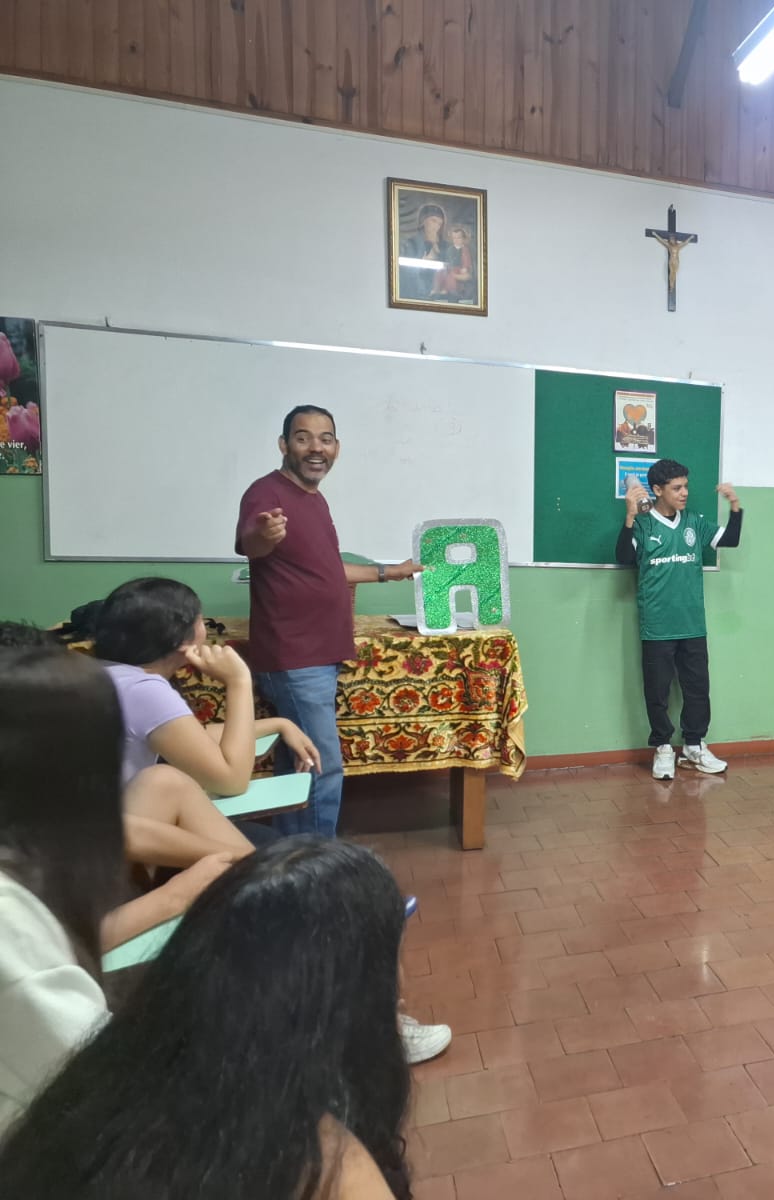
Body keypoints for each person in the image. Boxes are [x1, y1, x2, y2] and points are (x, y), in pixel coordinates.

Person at [0, 838, 414, 1198]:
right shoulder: (325, 1166)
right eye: (390, 957)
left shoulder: (115, 1081)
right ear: (345, 1002)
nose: (401, 981)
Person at [0, 626, 235, 1132]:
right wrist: (177, 894)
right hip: (62, 1133)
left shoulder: (42, 831)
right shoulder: (11, 916)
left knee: (166, 785)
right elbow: (101, 1084)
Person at [235, 405, 422, 837]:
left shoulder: (314, 500)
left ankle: (291, 856)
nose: (315, 448)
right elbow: (252, 543)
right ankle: (318, 864)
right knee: (323, 765)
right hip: (296, 656)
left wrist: (390, 572)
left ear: (336, 447)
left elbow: (326, 568)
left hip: (318, 653)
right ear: (284, 445)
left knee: (298, 762)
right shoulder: (267, 493)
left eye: (326, 439)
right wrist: (264, 535)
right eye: (303, 438)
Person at [93, 576, 321, 866]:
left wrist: (280, 724)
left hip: (108, 828)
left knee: (266, 841)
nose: (206, 628)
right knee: (275, 851)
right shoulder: (145, 690)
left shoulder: (109, 674)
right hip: (117, 848)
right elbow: (231, 781)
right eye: (202, 620)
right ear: (180, 640)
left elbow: (190, 738)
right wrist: (238, 681)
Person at [615, 460, 742, 781]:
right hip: (657, 626)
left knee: (697, 689)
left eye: (685, 486)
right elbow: (624, 558)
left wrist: (735, 506)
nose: (684, 493)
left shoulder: (694, 523)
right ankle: (662, 748)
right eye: (677, 488)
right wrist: (629, 517)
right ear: (658, 490)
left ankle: (694, 746)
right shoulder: (643, 524)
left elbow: (730, 539)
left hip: (692, 624)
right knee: (657, 691)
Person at [399, 201, 448, 299]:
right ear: (423, 221)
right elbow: (408, 274)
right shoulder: (411, 244)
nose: (436, 227)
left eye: (439, 224)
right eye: (433, 221)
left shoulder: (442, 247)